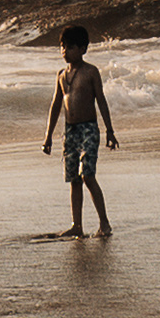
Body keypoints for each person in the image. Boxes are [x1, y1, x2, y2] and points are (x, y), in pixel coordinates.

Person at [44, 27, 117, 243]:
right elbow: (55, 106)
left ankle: (104, 223)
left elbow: (101, 101)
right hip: (70, 130)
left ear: (83, 49)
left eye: (71, 47)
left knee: (87, 175)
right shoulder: (61, 75)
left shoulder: (90, 72)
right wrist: (48, 137)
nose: (65, 51)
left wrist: (109, 131)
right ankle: (77, 226)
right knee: (74, 179)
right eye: (63, 46)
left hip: (89, 129)